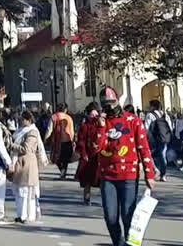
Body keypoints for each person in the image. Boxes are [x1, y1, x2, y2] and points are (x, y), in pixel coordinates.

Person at [94, 86, 155, 246]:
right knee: (110, 216)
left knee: (128, 215)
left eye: (112, 102)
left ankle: (131, 244)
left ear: (118, 101)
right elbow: (96, 148)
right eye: (105, 104)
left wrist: (150, 174)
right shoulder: (101, 122)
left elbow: (144, 148)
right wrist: (100, 127)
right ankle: (118, 243)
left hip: (128, 174)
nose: (109, 106)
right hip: (107, 175)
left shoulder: (133, 120)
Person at [9, 111, 44, 224]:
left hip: (27, 163)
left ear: (28, 120)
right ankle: (21, 214)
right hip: (21, 163)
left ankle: (25, 215)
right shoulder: (20, 131)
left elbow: (26, 149)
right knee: (20, 192)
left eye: (22, 119)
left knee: (26, 192)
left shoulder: (32, 132)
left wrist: (11, 145)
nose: (20, 121)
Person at [75, 102, 101, 205]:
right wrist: (84, 154)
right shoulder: (84, 126)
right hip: (87, 157)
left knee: (101, 180)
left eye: (96, 115)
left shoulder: (100, 125)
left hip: (98, 156)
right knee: (87, 181)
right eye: (92, 115)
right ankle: (86, 198)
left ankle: (106, 199)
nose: (94, 117)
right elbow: (81, 141)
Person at [144, 99, 172, 183]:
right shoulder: (165, 114)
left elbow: (146, 127)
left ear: (153, 106)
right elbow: (170, 126)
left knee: (151, 154)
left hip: (154, 138)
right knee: (162, 155)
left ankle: (156, 169)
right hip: (164, 137)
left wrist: (147, 137)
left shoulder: (150, 115)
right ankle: (163, 174)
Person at [50, 103, 75, 179]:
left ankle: (62, 172)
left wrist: (46, 138)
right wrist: (73, 140)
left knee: (55, 158)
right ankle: (63, 172)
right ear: (65, 109)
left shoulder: (54, 117)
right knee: (65, 159)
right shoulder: (69, 118)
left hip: (57, 141)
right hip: (68, 141)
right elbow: (72, 131)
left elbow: (49, 129)